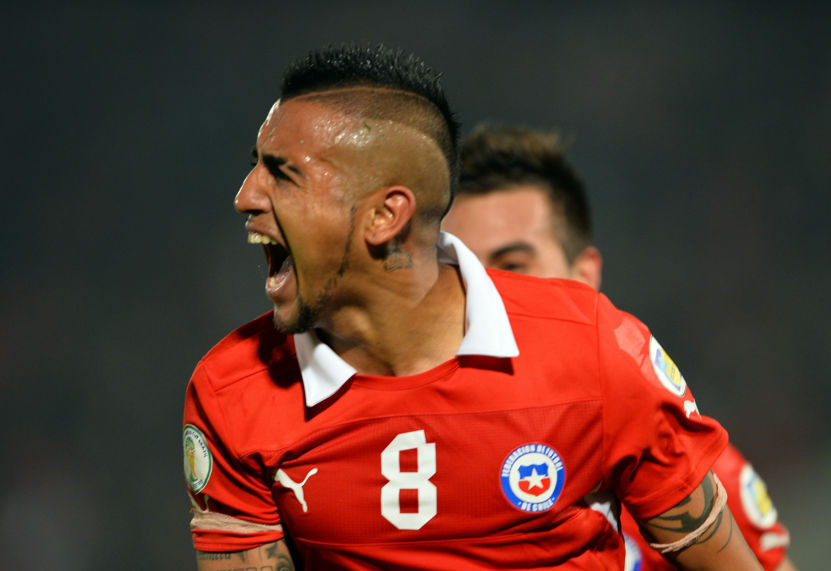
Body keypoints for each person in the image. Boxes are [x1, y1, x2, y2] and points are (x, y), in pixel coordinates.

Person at [183, 44, 765, 570]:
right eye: (256, 166)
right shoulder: (233, 393)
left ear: (385, 215)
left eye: (283, 175)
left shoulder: (593, 351)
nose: (245, 197)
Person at [441, 123, 796, 571]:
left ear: (584, 276)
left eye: (513, 266)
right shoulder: (407, 465)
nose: (488, 295)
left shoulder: (682, 463)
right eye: (464, 271)